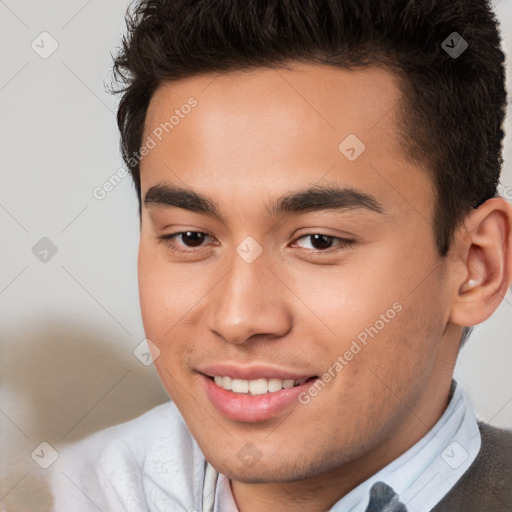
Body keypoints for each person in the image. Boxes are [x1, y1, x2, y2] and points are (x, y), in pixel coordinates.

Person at [49, 0, 512, 510]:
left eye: (318, 241)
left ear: (476, 267)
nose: (238, 318)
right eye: (191, 238)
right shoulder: (62, 493)